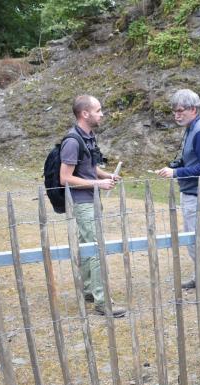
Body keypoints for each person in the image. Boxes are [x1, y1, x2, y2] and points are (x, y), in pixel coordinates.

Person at [59, 95, 126, 317]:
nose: (102, 114)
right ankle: (102, 300)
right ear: (85, 114)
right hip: (82, 202)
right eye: (98, 110)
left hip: (91, 198)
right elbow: (65, 178)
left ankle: (88, 290)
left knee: (88, 245)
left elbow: (88, 168)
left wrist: (106, 176)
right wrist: (98, 183)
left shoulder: (88, 137)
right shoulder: (72, 141)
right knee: (95, 248)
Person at [156, 89, 200, 305]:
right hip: (192, 191)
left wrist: (175, 173)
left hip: (198, 193)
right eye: (174, 111)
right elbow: (194, 160)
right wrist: (176, 167)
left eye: (180, 110)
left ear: (193, 109)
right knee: (193, 239)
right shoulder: (192, 128)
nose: (176, 114)